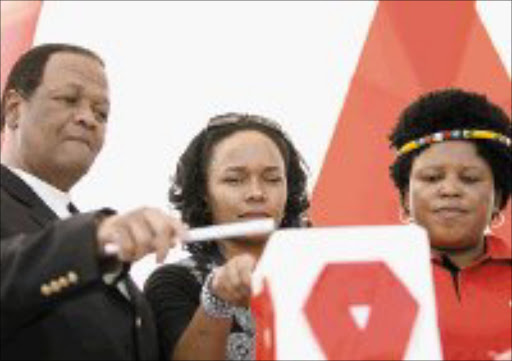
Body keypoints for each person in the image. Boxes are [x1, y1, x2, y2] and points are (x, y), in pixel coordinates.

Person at [1, 43, 187, 360]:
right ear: (15, 108)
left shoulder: (94, 237)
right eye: (68, 100)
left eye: (102, 113)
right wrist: (93, 239)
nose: (88, 118)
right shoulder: (93, 236)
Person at [144, 113, 310, 360]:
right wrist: (217, 301)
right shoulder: (173, 283)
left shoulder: (317, 269)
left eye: (273, 179)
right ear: (204, 194)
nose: (256, 193)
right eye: (234, 180)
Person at [388, 88, 511, 360]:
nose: (450, 190)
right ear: (405, 197)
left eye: (469, 178)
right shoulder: (376, 279)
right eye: (432, 178)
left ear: (498, 197)